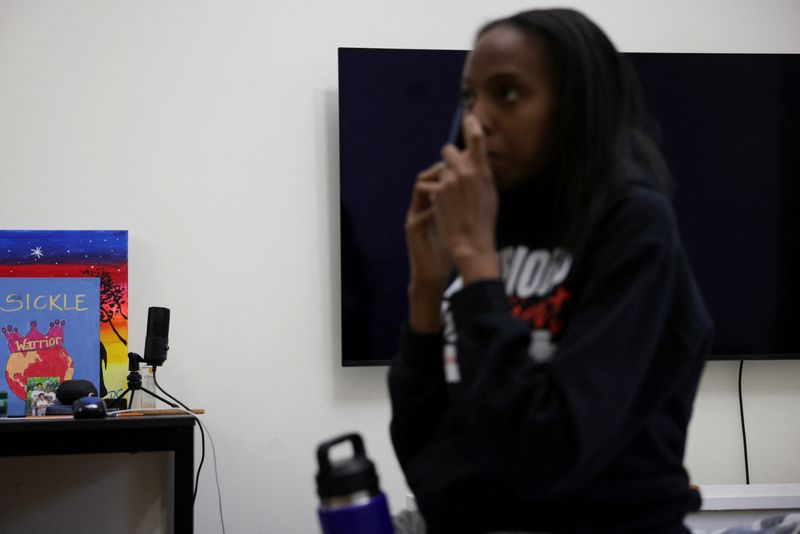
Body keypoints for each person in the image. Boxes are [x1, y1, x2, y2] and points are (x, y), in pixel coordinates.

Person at [388, 8, 712, 534]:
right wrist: (425, 291)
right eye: (470, 97)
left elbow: (550, 453)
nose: (477, 120)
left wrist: (474, 260)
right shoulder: (490, 223)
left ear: (575, 108)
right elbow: (427, 460)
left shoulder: (633, 224)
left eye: (508, 93)